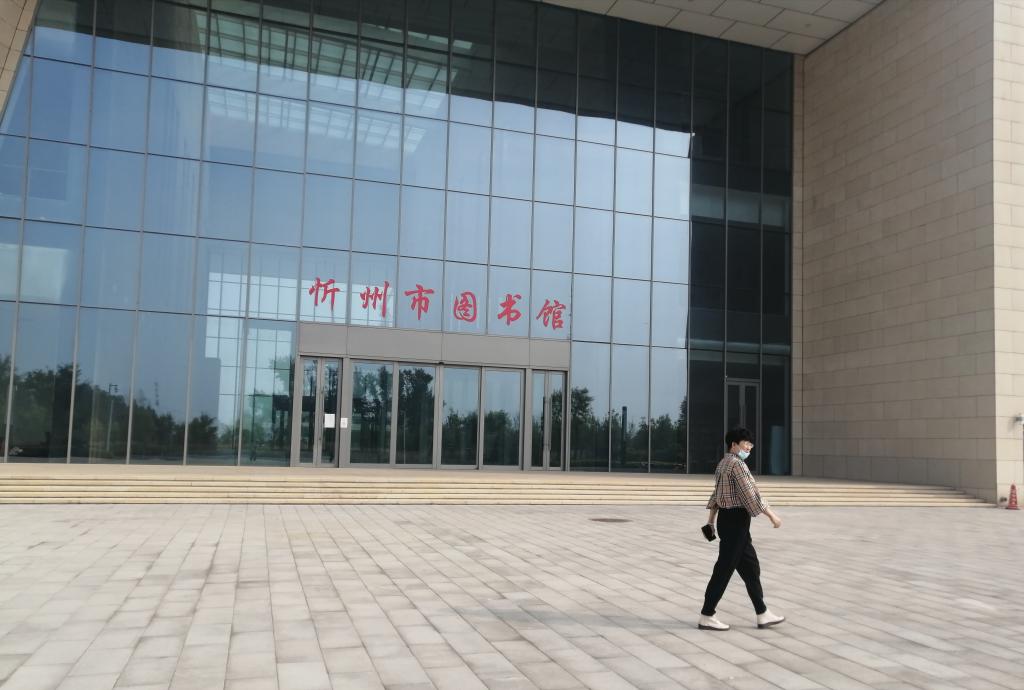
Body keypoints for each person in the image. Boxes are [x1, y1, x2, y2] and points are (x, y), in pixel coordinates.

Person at [699, 427, 786, 631]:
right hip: (736, 522)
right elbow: (750, 495)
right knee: (724, 569)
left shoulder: (723, 463)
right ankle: (707, 615)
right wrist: (772, 515)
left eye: (750, 444)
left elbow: (716, 495)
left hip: (729, 521)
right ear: (734, 445)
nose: (749, 447)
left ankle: (762, 612)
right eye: (745, 443)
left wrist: (711, 521)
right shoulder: (737, 464)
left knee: (751, 568)